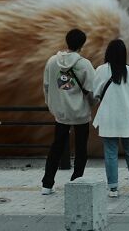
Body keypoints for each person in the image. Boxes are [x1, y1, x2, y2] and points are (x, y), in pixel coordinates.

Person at [41, 28, 96, 196]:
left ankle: (47, 184)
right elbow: (92, 90)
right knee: (81, 149)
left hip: (61, 114)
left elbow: (47, 86)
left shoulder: (52, 62)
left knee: (56, 148)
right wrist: (91, 105)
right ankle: (76, 181)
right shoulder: (84, 64)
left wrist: (52, 105)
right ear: (82, 44)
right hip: (80, 114)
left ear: (67, 41)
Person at [92, 38, 129, 198]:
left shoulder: (101, 70)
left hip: (109, 117)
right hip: (127, 117)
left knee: (111, 153)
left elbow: (96, 93)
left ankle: (113, 188)